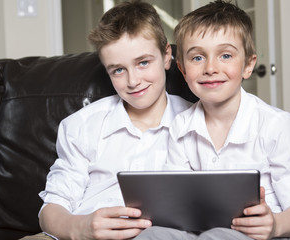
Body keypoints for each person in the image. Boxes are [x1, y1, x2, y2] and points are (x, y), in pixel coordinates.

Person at [139, 1, 290, 240]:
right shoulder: (180, 126)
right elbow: (176, 204)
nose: (211, 68)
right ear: (182, 70)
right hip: (199, 233)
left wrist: (274, 225)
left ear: (248, 65)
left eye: (225, 55)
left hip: (259, 236)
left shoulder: (275, 124)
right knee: (152, 235)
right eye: (197, 58)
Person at [22, 1, 192, 240]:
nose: (133, 81)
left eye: (143, 62)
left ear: (166, 57)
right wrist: (80, 228)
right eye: (118, 70)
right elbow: (51, 209)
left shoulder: (197, 123)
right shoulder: (82, 125)